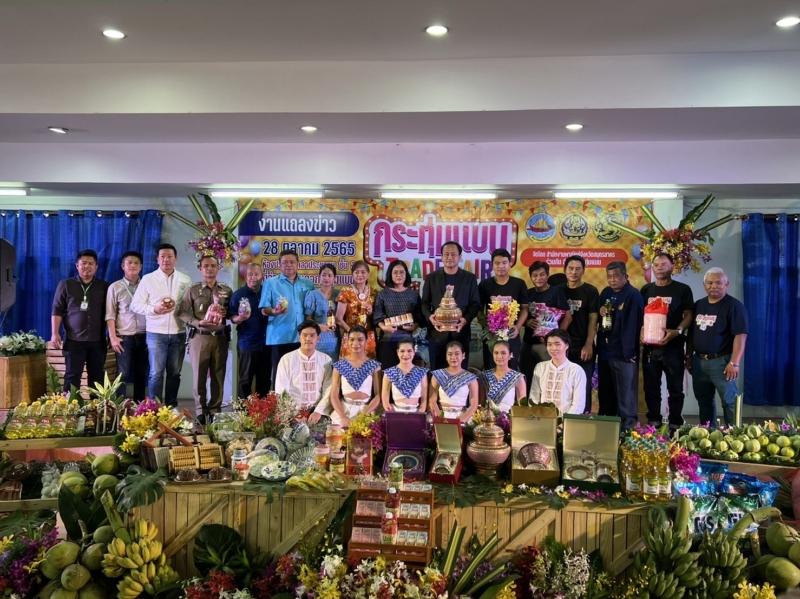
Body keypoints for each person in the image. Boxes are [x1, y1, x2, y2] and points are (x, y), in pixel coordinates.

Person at [131, 243, 193, 407]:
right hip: (155, 333)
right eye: (163, 257)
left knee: (175, 373)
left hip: (178, 332)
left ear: (176, 259)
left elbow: (189, 306)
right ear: (157, 260)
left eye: (169, 256)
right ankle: (154, 407)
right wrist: (154, 309)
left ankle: (171, 407)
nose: (166, 260)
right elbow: (135, 305)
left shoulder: (185, 280)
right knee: (156, 373)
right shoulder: (148, 279)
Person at [687, 267, 748, 428]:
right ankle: (708, 433)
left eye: (718, 283)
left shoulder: (734, 306)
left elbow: (740, 336)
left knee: (729, 401)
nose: (714, 286)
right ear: (704, 285)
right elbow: (691, 334)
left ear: (726, 284)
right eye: (710, 283)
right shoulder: (699, 305)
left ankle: (734, 434)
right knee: (704, 401)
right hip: (699, 361)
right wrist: (688, 356)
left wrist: (734, 363)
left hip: (722, 362)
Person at [640, 252, 694, 432]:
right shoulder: (646, 290)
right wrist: (641, 331)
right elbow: (641, 316)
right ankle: (654, 422)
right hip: (650, 349)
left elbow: (689, 315)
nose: (659, 268)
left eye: (663, 265)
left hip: (673, 348)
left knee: (675, 389)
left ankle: (675, 424)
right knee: (651, 389)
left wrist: (677, 331)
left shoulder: (682, 289)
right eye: (656, 265)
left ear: (672, 267)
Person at [178, 255, 232, 423]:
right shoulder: (193, 290)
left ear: (219, 268)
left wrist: (226, 313)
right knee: (199, 377)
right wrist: (197, 323)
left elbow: (233, 312)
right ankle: (201, 411)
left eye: (213, 266)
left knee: (218, 376)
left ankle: (215, 410)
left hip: (220, 339)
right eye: (206, 266)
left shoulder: (226, 290)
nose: (209, 269)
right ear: (200, 269)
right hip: (199, 338)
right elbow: (182, 312)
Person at [51, 249, 110, 393]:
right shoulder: (66, 284)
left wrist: (111, 334)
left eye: (91, 263)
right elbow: (57, 309)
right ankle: (70, 405)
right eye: (83, 263)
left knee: (97, 377)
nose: (87, 266)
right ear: (77, 265)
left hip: (97, 340)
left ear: (96, 267)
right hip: (73, 340)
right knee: (72, 376)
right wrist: (54, 333)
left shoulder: (104, 287)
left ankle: (96, 406)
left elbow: (111, 313)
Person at [597, 261, 644, 432]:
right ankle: (607, 430)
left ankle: (628, 432)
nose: (612, 280)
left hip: (624, 355)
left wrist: (629, 352)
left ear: (625, 276)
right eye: (609, 276)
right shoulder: (606, 292)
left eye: (616, 276)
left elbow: (633, 326)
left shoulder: (633, 295)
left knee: (626, 397)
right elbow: (600, 319)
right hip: (605, 353)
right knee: (606, 395)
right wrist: (601, 311)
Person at [421, 241, 481, 369]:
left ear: (460, 256)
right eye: (446, 254)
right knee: (437, 371)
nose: (449, 257)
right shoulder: (432, 278)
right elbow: (424, 303)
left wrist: (465, 320)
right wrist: (431, 318)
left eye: (453, 254)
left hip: (461, 333)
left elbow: (475, 304)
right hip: (437, 333)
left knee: (460, 372)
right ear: (441, 256)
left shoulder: (469, 278)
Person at [259, 250, 315, 381]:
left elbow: (312, 308)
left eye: (292, 262)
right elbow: (263, 309)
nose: (289, 265)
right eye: (285, 262)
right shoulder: (271, 283)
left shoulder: (308, 284)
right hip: (279, 336)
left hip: (302, 338)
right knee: (280, 376)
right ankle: (279, 396)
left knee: (300, 376)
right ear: (279, 264)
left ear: (298, 264)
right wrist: (274, 311)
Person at [521, 261, 572, 395]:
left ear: (548, 275)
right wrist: (526, 322)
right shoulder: (528, 293)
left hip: (546, 346)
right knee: (527, 377)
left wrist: (556, 339)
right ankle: (528, 405)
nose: (539, 278)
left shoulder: (556, 293)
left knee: (548, 379)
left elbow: (568, 318)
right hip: (527, 343)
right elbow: (521, 315)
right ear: (530, 277)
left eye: (542, 275)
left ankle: (548, 406)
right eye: (535, 275)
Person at [106, 251, 149, 400]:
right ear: (122, 266)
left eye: (136, 263)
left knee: (141, 373)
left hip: (145, 337)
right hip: (124, 338)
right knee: (122, 374)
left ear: (141, 266)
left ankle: (140, 406)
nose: (132, 265)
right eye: (129, 262)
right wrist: (113, 337)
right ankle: (120, 406)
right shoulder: (115, 287)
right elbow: (110, 314)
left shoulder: (147, 286)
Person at [560, 255, 599, 414]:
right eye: (570, 268)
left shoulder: (590, 291)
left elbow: (593, 320)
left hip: (583, 346)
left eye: (578, 269)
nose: (574, 272)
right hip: (562, 347)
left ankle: (584, 418)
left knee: (583, 385)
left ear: (583, 271)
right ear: (565, 270)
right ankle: (562, 419)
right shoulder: (558, 290)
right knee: (563, 384)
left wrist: (588, 344)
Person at [478, 248, 529, 370]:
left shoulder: (519, 284)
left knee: (511, 368)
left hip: (511, 333)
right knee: (491, 368)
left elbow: (525, 308)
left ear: (510, 264)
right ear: (492, 265)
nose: (501, 266)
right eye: (497, 263)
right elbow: (479, 310)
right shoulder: (485, 285)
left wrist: (517, 327)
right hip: (492, 335)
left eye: (504, 263)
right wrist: (487, 326)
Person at [274, 320, 333, 423]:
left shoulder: (326, 359)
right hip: (293, 411)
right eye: (304, 335)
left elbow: (328, 388)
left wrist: (318, 411)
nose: (308, 339)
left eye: (312, 335)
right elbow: (281, 389)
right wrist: (293, 413)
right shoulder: (287, 359)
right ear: (299, 338)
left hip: (317, 411)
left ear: (318, 338)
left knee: (323, 429)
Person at [227, 263, 270, 399]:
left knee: (264, 381)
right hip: (247, 344)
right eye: (250, 274)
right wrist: (240, 318)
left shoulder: (267, 293)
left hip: (266, 344)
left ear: (262, 276)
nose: (253, 277)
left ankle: (262, 410)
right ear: (245, 276)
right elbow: (232, 317)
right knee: (245, 380)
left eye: (256, 274)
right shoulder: (238, 295)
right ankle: (243, 411)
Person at [373, 259, 422, 369]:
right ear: (390, 274)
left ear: (406, 274)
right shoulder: (383, 294)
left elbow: (419, 316)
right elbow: (377, 314)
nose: (399, 275)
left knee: (407, 372)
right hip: (387, 340)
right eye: (395, 272)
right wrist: (384, 327)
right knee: (388, 371)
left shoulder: (413, 295)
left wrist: (415, 326)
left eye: (402, 272)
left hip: (408, 341)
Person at [329, 325, 382, 426]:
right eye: (352, 340)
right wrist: (343, 416)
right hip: (344, 410)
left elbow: (378, 395)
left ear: (367, 341)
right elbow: (334, 396)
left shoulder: (374, 366)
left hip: (366, 410)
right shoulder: (340, 365)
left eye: (360, 340)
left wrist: (363, 415)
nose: (355, 343)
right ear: (347, 341)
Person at [529, 329, 587, 416]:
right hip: (542, 419)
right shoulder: (540, 367)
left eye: (557, 344)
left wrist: (565, 421)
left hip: (566, 420)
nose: (553, 348)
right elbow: (534, 397)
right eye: (549, 344)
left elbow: (579, 404)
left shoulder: (576, 370)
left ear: (567, 345)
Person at [336, 260, 378, 360]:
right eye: (356, 272)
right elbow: (338, 318)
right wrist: (351, 333)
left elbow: (379, 317)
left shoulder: (374, 292)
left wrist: (371, 311)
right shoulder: (346, 291)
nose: (360, 275)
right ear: (352, 274)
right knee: (349, 366)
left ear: (368, 274)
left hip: (368, 337)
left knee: (368, 366)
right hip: (351, 337)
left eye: (363, 272)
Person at [429, 341, 479, 423]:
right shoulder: (437, 375)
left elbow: (474, 404)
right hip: (441, 416)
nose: (453, 357)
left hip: (462, 417)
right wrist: (440, 418)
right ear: (446, 356)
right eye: (450, 354)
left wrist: (461, 421)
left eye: (457, 354)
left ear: (463, 355)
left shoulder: (470, 378)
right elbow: (432, 400)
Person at [304, 263, 341, 363]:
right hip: (318, 338)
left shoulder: (339, 294)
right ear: (319, 277)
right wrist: (318, 325)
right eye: (324, 275)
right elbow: (308, 319)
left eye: (330, 275)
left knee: (333, 367)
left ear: (334, 278)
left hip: (334, 339)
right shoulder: (312, 294)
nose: (326, 278)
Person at [381, 339, 429, 413]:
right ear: (397, 352)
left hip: (416, 412)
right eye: (402, 351)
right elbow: (385, 399)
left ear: (414, 352)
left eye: (409, 351)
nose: (406, 354)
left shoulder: (421, 372)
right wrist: (391, 413)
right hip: (396, 412)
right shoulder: (389, 372)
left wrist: (420, 413)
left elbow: (424, 399)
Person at [479, 340, 526, 413]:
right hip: (488, 418)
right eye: (496, 353)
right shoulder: (484, 376)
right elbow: (481, 404)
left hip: (508, 418)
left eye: (503, 353)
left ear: (510, 355)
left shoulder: (517, 377)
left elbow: (522, 407)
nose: (499, 356)